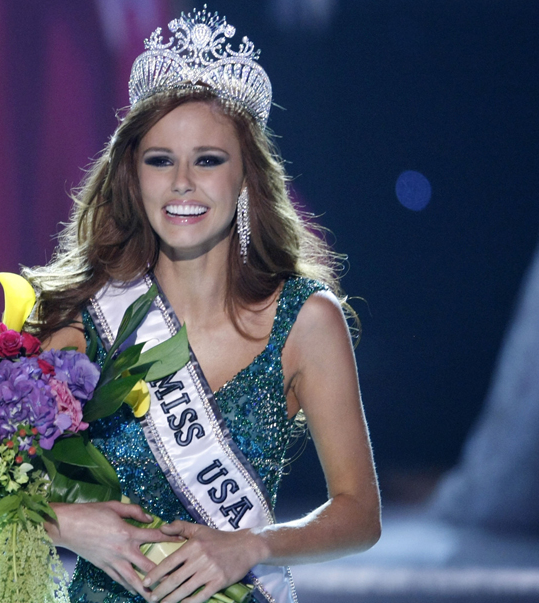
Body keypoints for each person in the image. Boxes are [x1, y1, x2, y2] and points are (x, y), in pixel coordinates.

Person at [24, 8, 380, 603]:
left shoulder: (306, 320)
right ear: (133, 178)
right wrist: (64, 522)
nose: (182, 181)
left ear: (246, 180)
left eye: (208, 160)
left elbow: (360, 514)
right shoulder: (81, 317)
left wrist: (254, 545)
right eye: (160, 160)